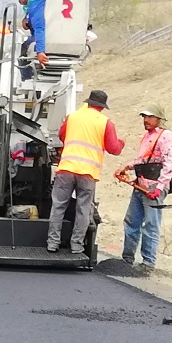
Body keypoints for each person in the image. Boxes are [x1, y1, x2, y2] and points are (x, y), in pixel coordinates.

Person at [48, 87, 124, 257]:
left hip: (66, 168)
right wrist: (122, 143)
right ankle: (76, 246)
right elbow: (114, 148)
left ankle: (52, 243)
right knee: (83, 209)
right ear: (102, 107)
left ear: (88, 103)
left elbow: (62, 136)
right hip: (88, 173)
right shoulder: (105, 123)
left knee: (58, 206)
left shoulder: (72, 117)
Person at [117, 104, 172, 270]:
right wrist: (127, 167)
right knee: (131, 221)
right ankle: (127, 259)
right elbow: (144, 159)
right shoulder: (148, 136)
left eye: (150, 117)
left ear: (159, 118)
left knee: (151, 224)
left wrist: (159, 187)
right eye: (144, 117)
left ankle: (148, 263)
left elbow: (169, 162)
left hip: (153, 186)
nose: (146, 120)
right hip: (141, 184)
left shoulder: (166, 135)